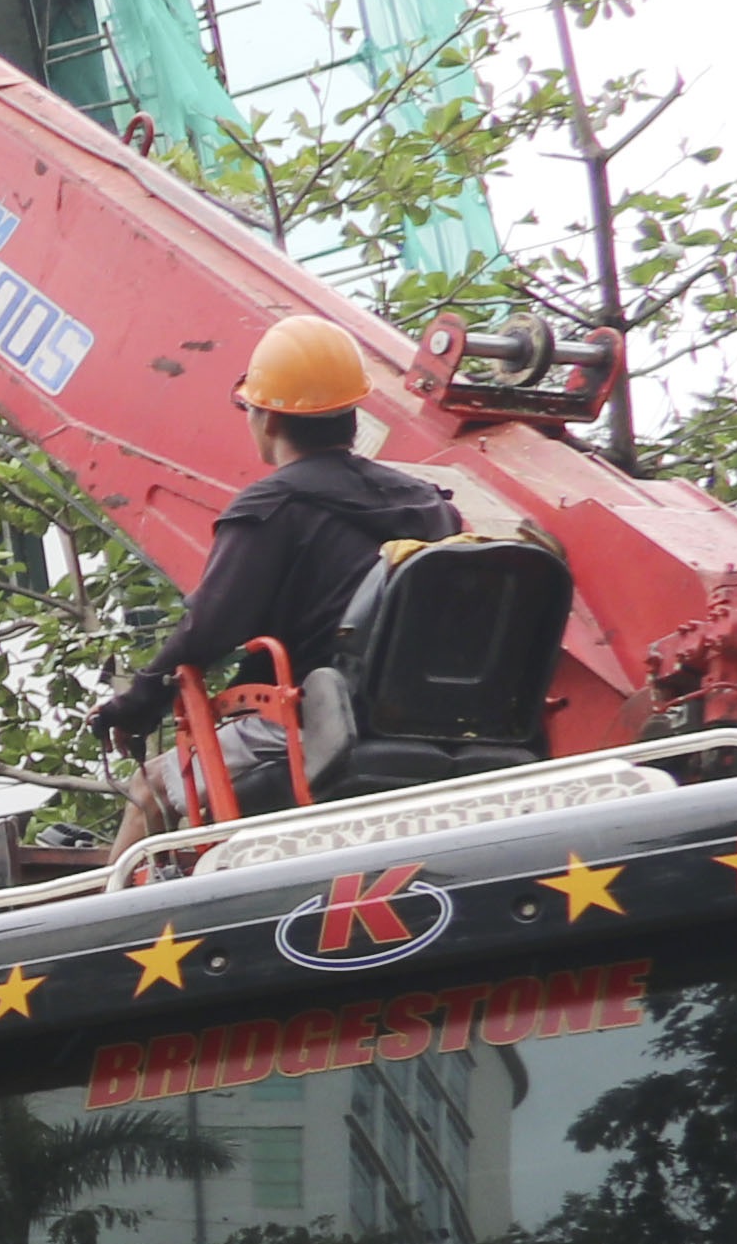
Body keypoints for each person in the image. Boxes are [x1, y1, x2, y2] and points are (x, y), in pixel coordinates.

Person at [96, 313, 465, 847]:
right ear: (351, 416)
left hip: (317, 719)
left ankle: (118, 926)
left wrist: (134, 704)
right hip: (429, 714)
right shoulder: (430, 505)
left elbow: (209, 629)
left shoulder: (274, 506)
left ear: (266, 419)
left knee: (150, 790)